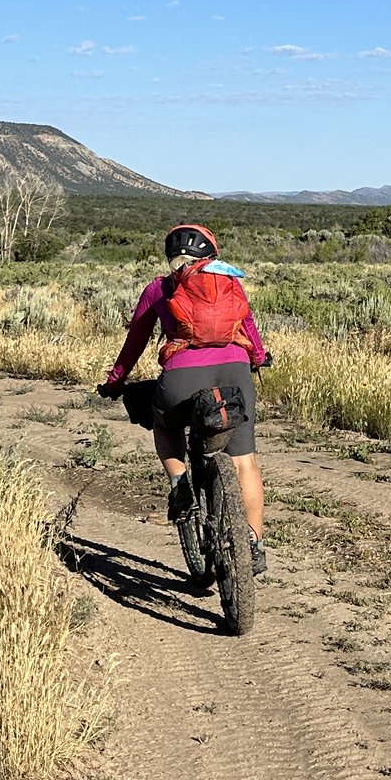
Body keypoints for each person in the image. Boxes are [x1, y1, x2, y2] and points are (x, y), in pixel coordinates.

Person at [98, 224, 273, 574]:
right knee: (245, 463)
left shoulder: (159, 288)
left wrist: (115, 382)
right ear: (211, 255)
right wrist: (258, 357)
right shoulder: (229, 284)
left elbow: (135, 342)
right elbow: (249, 329)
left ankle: (179, 483)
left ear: (171, 259)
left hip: (180, 377)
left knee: (164, 422)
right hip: (235, 374)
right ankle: (252, 544)